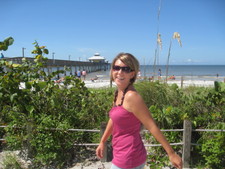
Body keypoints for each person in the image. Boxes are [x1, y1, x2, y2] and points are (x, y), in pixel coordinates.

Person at [96, 53, 182, 169]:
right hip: (121, 152)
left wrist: (171, 153)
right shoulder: (119, 93)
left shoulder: (132, 97)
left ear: (132, 74)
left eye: (125, 69)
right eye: (116, 68)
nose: (120, 72)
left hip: (129, 156)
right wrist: (103, 141)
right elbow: (113, 120)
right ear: (112, 70)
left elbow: (152, 126)